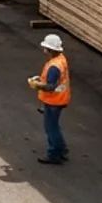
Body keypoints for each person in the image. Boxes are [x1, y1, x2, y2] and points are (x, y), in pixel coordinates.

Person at [29, 33, 71, 164]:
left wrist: (37, 85)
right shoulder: (61, 60)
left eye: (46, 48)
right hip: (61, 99)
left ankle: (54, 153)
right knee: (54, 126)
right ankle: (62, 149)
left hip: (54, 101)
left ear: (51, 49)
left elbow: (50, 86)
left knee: (50, 128)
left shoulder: (54, 67)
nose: (44, 50)